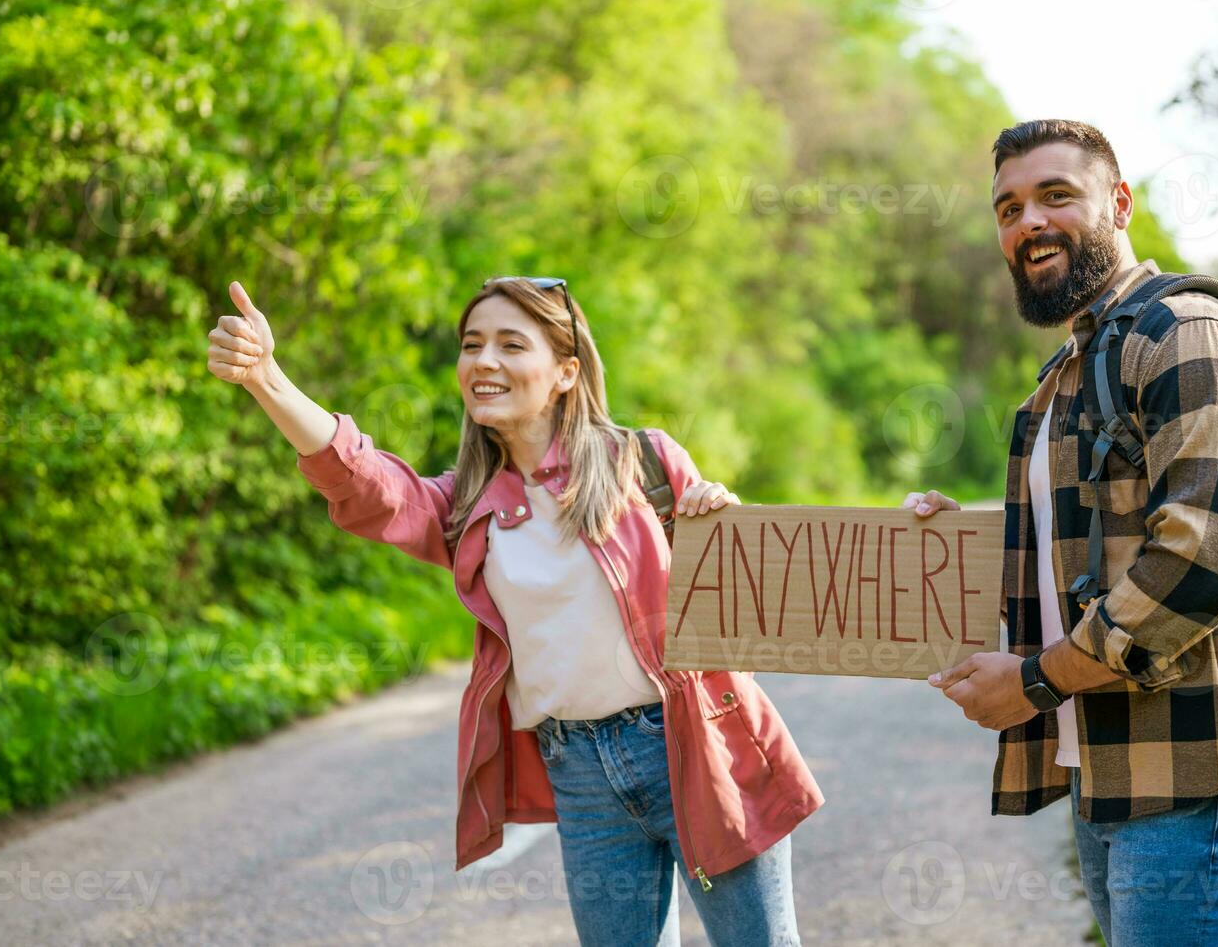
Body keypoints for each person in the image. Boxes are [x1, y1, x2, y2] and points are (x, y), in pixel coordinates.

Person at [207, 275, 822, 946]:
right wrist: (268, 379)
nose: (484, 361)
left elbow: (745, 599)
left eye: (509, 344)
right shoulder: (467, 506)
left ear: (565, 372)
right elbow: (363, 482)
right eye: (472, 345)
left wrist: (721, 519)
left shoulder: (640, 463)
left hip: (695, 747)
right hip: (582, 775)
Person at [904, 120, 1218, 946]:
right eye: (1009, 208)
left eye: (1057, 195)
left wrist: (1035, 681)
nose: (1029, 223)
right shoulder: (1067, 370)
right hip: (1107, 761)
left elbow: (1202, 560)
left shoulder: (1189, 334)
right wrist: (956, 544)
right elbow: (1093, 535)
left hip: (1202, 773)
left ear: (1119, 203)